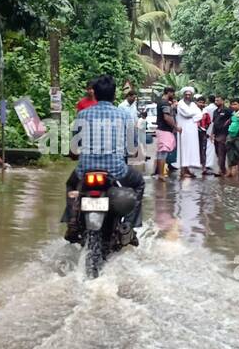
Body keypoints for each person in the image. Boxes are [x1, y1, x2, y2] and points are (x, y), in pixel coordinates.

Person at [65, 73, 144, 243]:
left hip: (85, 170)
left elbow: (73, 148)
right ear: (114, 95)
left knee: (71, 184)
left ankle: (72, 221)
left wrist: (74, 154)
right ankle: (128, 226)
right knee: (139, 183)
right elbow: (133, 149)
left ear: (95, 93)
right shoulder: (124, 116)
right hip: (116, 170)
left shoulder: (83, 115)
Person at [175, 86, 204, 179]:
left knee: (191, 149)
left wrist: (194, 116)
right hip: (183, 130)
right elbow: (186, 113)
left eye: (189, 94)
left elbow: (200, 115)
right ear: (183, 95)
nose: (187, 96)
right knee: (183, 149)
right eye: (186, 94)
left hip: (192, 130)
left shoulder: (193, 104)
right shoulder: (180, 104)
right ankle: (183, 171)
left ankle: (187, 170)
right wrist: (194, 114)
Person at [153, 86, 176, 178]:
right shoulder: (165, 103)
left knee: (160, 153)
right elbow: (166, 117)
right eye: (173, 93)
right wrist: (175, 126)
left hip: (161, 130)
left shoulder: (161, 102)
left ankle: (159, 173)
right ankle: (161, 174)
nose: (173, 95)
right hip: (165, 130)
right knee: (163, 153)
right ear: (169, 93)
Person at [211, 96, 231, 177]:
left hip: (224, 134)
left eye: (218, 100)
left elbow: (233, 118)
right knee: (217, 153)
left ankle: (222, 170)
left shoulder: (227, 110)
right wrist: (212, 133)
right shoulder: (215, 111)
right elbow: (214, 123)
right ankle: (222, 169)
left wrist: (227, 123)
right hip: (217, 134)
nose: (216, 102)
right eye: (215, 100)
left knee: (221, 152)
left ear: (222, 101)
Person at [225, 101, 239, 177]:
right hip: (231, 135)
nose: (233, 106)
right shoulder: (233, 113)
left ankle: (238, 171)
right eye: (232, 104)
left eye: (235, 104)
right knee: (229, 153)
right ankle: (229, 171)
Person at [199, 93, 216, 173]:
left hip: (204, 132)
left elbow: (208, 121)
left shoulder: (206, 110)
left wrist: (204, 128)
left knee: (204, 149)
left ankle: (204, 165)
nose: (201, 104)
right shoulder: (216, 108)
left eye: (203, 102)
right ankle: (206, 164)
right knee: (208, 148)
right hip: (209, 131)